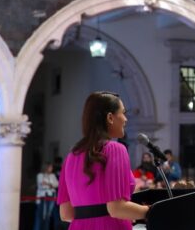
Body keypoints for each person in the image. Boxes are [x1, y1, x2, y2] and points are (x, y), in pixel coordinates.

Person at [57, 91, 149, 229]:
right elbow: (116, 209)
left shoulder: (72, 156)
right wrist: (152, 211)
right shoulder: (115, 149)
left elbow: (66, 214)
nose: (125, 119)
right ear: (110, 118)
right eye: (123, 113)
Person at [34, 163, 59, 230]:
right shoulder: (40, 175)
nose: (51, 168)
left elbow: (57, 184)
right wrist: (51, 185)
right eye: (50, 167)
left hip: (51, 196)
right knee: (40, 216)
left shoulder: (53, 175)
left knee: (48, 216)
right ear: (46, 167)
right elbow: (42, 185)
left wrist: (48, 184)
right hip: (42, 197)